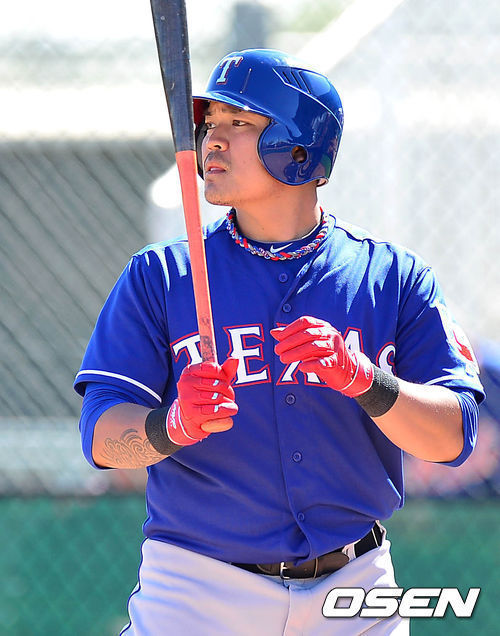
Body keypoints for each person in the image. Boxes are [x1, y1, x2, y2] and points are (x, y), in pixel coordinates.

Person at [74, 49, 484, 635]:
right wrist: (173, 426)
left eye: (239, 122)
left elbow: (452, 439)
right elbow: (102, 437)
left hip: (354, 587)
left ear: (299, 146)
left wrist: (366, 382)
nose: (213, 140)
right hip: (198, 587)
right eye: (210, 123)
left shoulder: (392, 277)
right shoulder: (161, 276)